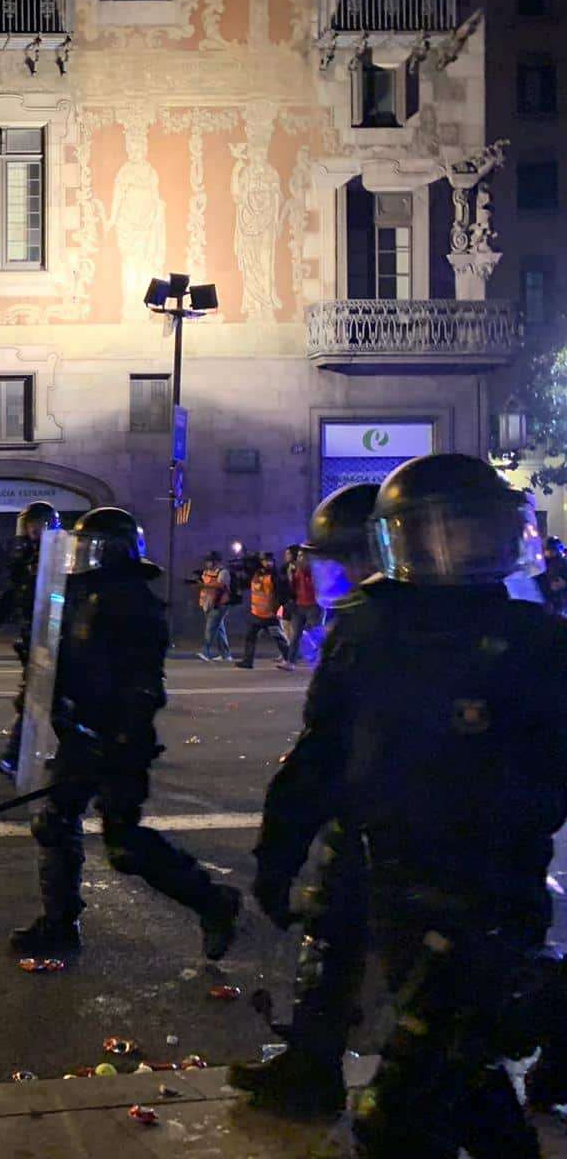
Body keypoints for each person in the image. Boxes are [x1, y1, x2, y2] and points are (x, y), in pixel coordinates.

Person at [240, 454, 566, 1158]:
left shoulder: (537, 638)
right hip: (395, 879)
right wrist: (280, 848)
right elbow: (323, 752)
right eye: (440, 534)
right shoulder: (370, 627)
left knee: (408, 1105)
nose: (459, 551)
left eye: (474, 532)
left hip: (488, 894)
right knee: (462, 1078)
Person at [8, 507, 242, 956]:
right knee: (54, 822)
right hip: (78, 732)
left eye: (93, 548)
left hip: (116, 740)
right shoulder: (76, 595)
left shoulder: (135, 603)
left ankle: (214, 900)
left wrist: (120, 741)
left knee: (124, 845)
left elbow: (143, 685)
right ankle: (59, 924)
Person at [229, 481, 382, 1115]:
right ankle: (311, 1068)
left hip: (381, 834)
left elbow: (322, 754)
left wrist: (278, 855)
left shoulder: (372, 625)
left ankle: (317, 1074)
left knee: (347, 945)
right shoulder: (518, 620)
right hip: (486, 840)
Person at [0, 501, 61, 777]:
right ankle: (78, 753)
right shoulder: (26, 558)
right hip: (34, 636)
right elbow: (12, 593)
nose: (32, 531)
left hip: (55, 639)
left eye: (37, 525)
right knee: (48, 701)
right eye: (29, 526)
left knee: (39, 699)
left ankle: (14, 758)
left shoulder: (61, 558)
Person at [234, 552, 288, 669]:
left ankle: (289, 658)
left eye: (270, 561)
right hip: (256, 613)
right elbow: (245, 585)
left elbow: (282, 593)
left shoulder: (274, 576)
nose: (268, 563)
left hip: (270, 614)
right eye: (265, 561)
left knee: (278, 637)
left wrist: (278, 608)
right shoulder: (256, 574)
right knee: (250, 637)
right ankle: (248, 661)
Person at [284, 546, 322, 665]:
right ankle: (291, 662)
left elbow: (315, 586)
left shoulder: (314, 570)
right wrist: (290, 577)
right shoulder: (296, 571)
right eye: (299, 556)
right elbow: (293, 589)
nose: (299, 558)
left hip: (313, 606)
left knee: (316, 633)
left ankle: (322, 659)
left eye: (302, 556)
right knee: (295, 635)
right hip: (299, 606)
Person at [197, 551, 233, 661]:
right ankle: (226, 655)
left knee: (211, 628)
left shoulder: (223, 572)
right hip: (208, 603)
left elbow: (220, 585)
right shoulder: (206, 572)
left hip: (219, 604)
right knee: (219, 629)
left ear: (215, 561)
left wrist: (203, 585)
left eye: (209, 561)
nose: (207, 564)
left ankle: (206, 652)